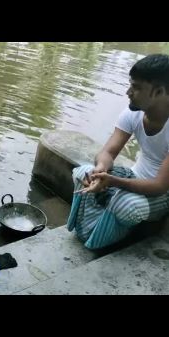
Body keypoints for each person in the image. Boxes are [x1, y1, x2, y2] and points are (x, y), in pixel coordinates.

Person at [67, 53, 169, 250]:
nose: (128, 92)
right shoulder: (134, 113)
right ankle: (100, 228)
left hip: (163, 195)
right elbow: (108, 152)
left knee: (125, 205)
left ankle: (99, 241)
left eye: (136, 87)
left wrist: (113, 181)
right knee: (83, 173)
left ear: (158, 92)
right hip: (135, 176)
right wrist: (100, 171)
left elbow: (159, 186)